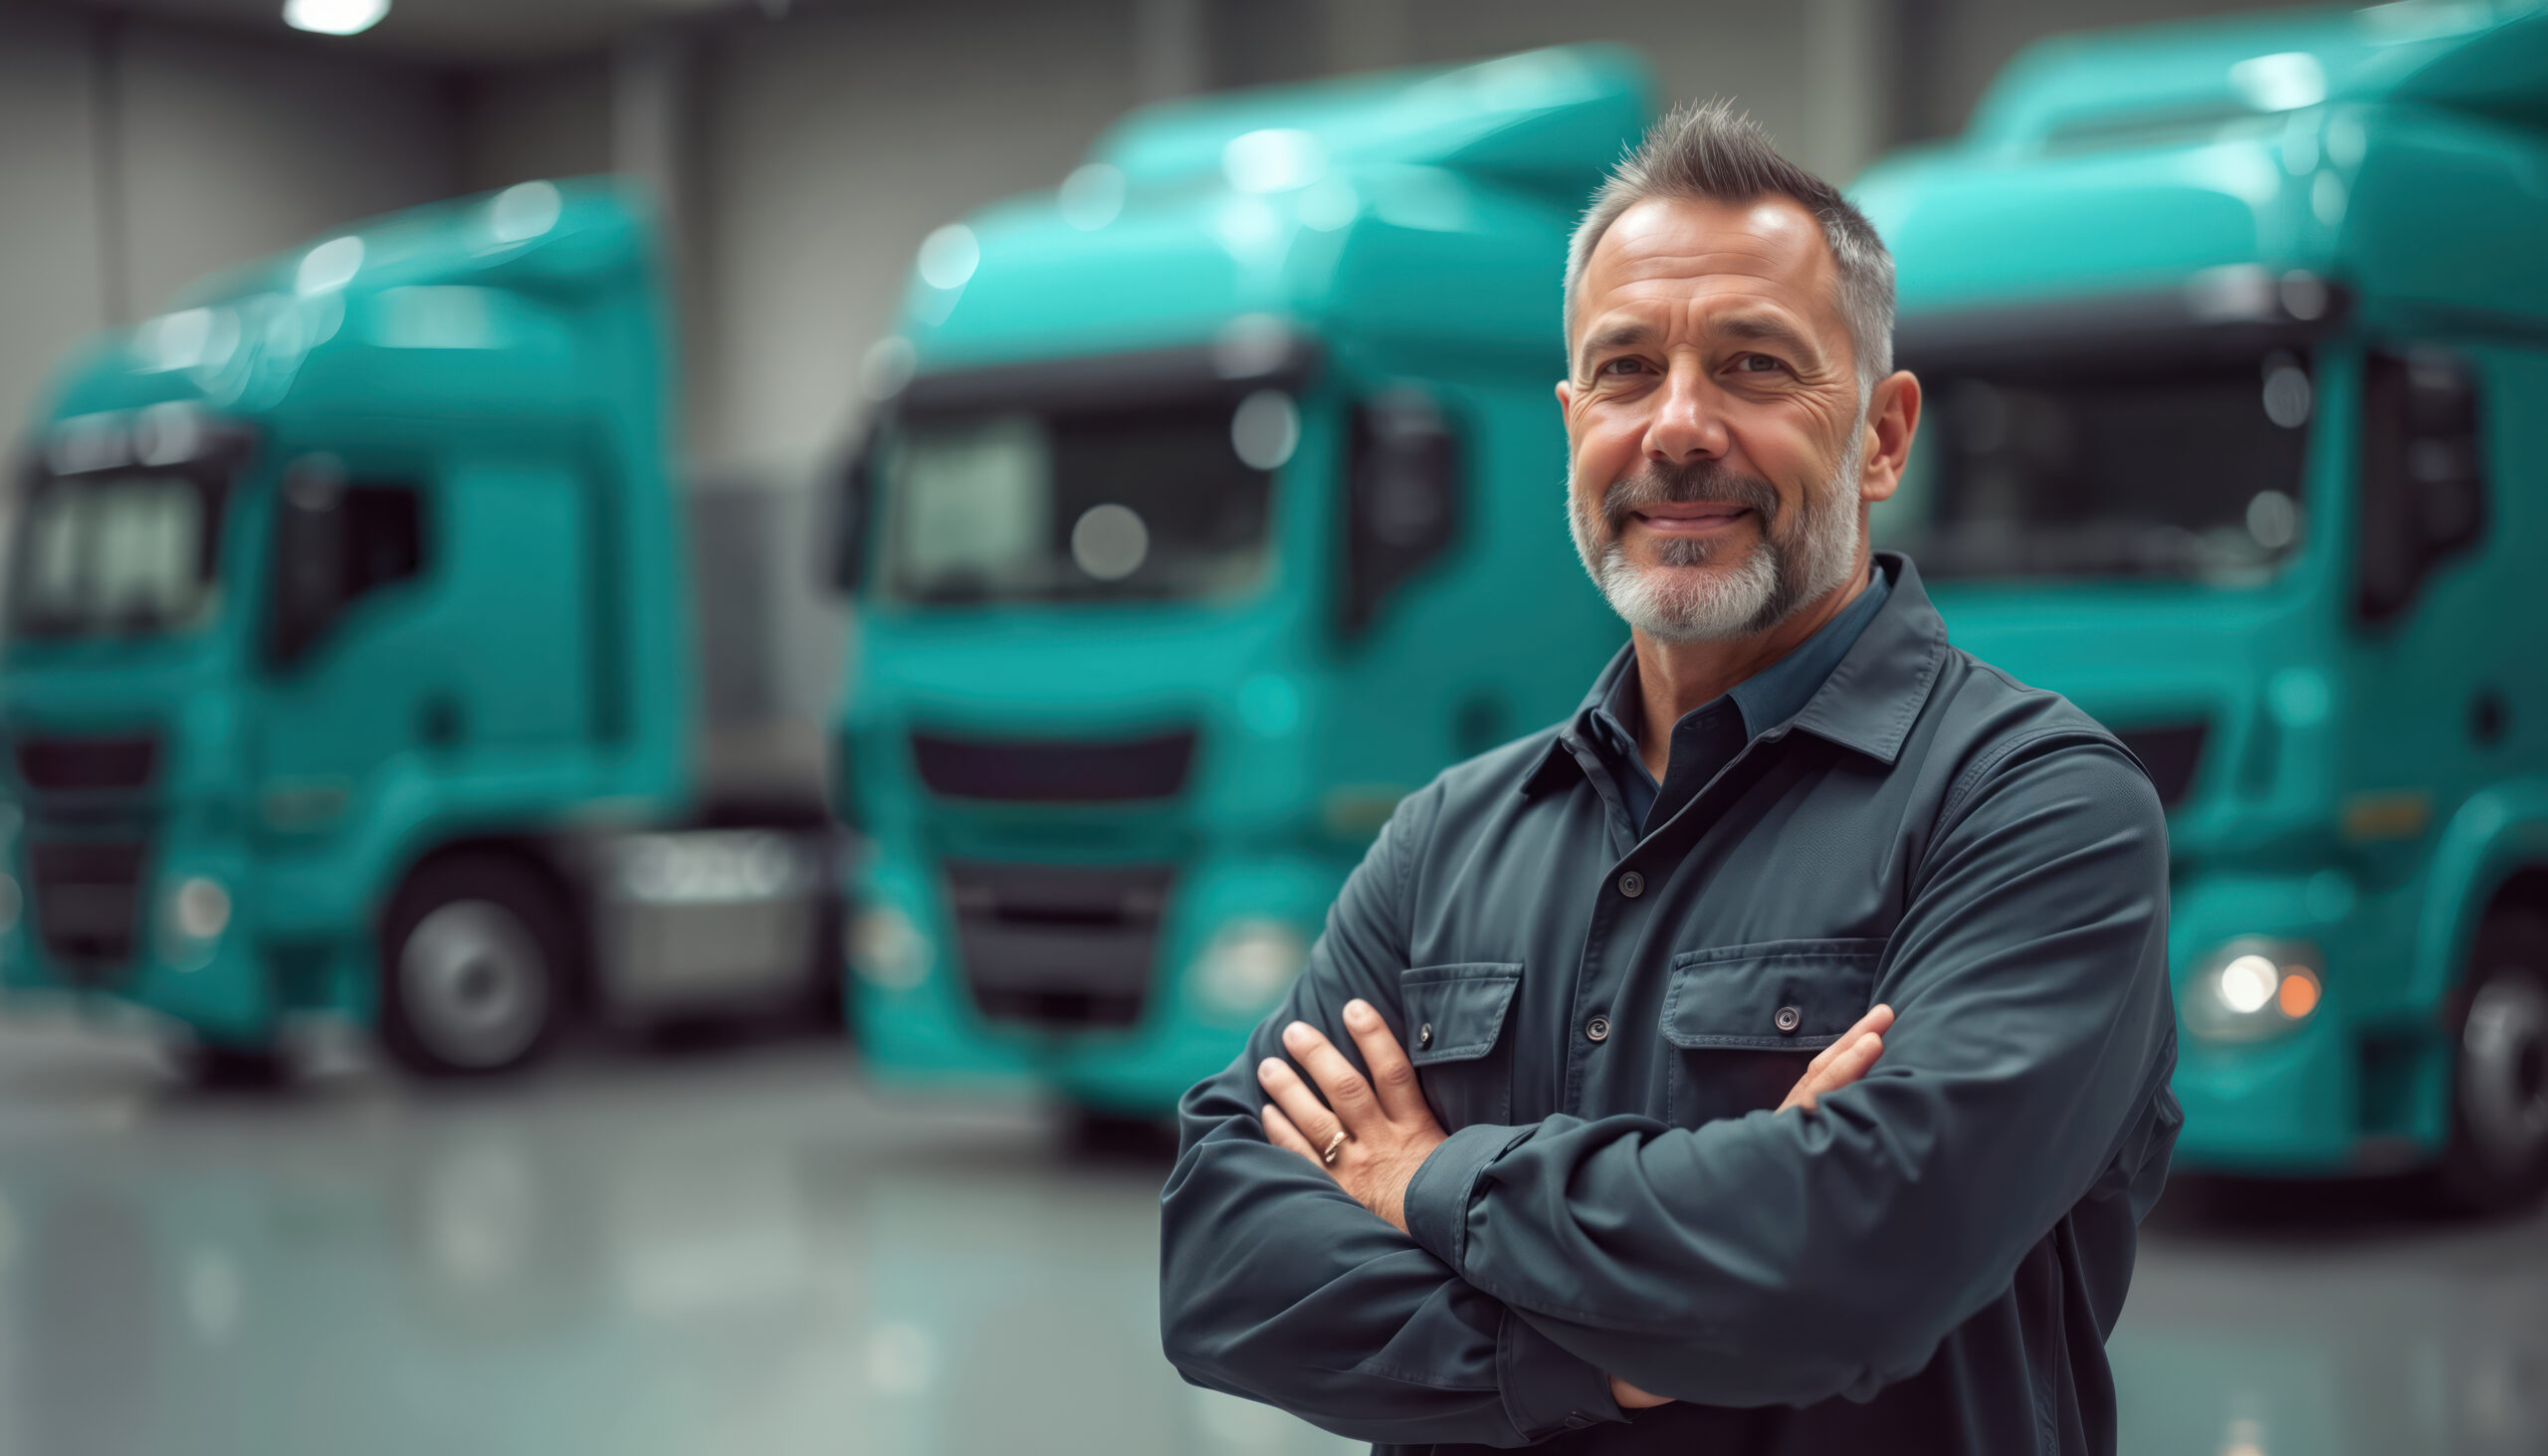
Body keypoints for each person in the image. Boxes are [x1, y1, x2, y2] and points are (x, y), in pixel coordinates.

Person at [1158, 100, 2179, 1454]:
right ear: (1574, 422)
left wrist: (1421, 1175)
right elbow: (1221, 1266)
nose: (1679, 429)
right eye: (1628, 373)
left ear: (1882, 434)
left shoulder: (2037, 810)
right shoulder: (1447, 840)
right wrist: (1607, 1358)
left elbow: (1850, 1266)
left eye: (1756, 367)